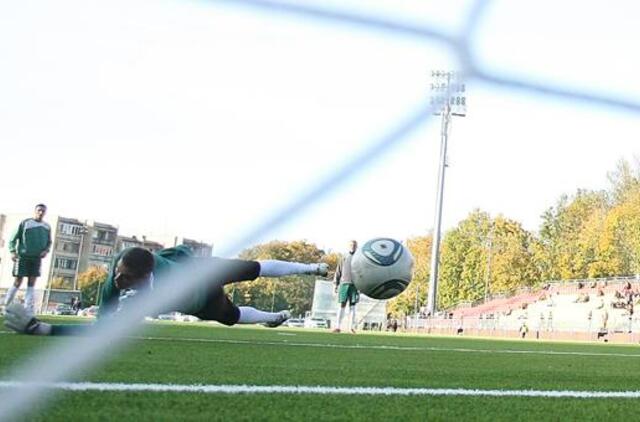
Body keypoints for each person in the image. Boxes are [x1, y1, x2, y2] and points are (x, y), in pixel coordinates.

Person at [4, 245, 329, 336]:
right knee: (229, 317)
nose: (120, 281)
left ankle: (309, 269)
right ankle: (274, 317)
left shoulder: (153, 271)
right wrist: (43, 329)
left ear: (147, 276)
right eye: (119, 274)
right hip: (201, 300)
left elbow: (176, 256)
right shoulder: (117, 284)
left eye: (128, 278)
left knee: (251, 268)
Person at [3, 204, 52, 314]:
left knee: (31, 283)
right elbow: (12, 238)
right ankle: (6, 306)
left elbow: (49, 242)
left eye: (43, 211)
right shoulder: (25, 223)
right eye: (39, 210)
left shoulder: (47, 227)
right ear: (35, 211)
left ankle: (27, 309)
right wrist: (12, 251)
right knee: (18, 281)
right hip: (23, 257)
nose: (41, 212)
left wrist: (46, 250)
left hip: (36, 258)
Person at [332, 240, 359, 333]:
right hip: (344, 284)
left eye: (354, 245)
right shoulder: (343, 257)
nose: (353, 246)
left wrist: (362, 286)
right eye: (351, 245)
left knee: (353, 306)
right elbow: (338, 271)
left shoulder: (359, 258)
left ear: (357, 246)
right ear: (348, 246)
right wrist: (335, 283)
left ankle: (351, 328)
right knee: (342, 304)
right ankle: (337, 327)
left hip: (355, 285)